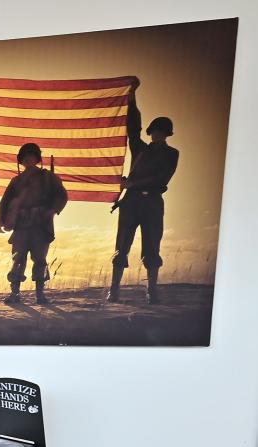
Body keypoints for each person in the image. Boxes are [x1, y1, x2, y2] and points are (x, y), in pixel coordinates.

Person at [109, 83, 178, 304]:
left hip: (152, 203)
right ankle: (114, 290)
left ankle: (152, 290)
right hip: (131, 203)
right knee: (121, 248)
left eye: (162, 130)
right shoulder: (140, 149)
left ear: (167, 133)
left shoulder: (172, 153)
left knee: (152, 248)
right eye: (155, 130)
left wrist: (132, 183)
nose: (158, 133)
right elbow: (133, 127)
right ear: (151, 132)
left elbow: (162, 178)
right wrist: (132, 98)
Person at [0, 142, 67, 305]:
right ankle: (15, 294)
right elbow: (5, 202)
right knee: (17, 258)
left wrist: (53, 210)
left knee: (40, 259)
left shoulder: (48, 177)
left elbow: (61, 195)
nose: (28, 159)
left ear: (37, 158)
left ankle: (40, 295)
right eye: (25, 156)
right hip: (21, 224)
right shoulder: (16, 181)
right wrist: (1, 219)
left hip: (40, 223)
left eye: (31, 155)